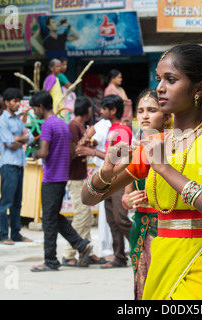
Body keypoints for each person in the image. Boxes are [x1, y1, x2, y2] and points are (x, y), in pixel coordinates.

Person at [81, 43, 202, 300]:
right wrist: (105, 173)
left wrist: (163, 167)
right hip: (161, 258)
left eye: (171, 80)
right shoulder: (155, 144)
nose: (160, 87)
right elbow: (89, 198)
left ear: (199, 88)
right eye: (159, 79)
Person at [29, 91, 92, 272]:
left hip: (51, 177)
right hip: (62, 175)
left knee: (49, 220)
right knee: (53, 216)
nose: (34, 113)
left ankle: (51, 261)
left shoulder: (48, 125)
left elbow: (44, 152)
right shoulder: (63, 124)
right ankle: (81, 245)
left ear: (41, 107)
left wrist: (33, 152)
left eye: (34, 109)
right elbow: (73, 150)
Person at [122, 89, 172, 299]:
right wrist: (128, 201)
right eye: (140, 110)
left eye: (152, 110)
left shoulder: (177, 150)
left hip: (169, 231)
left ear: (167, 116)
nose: (144, 116)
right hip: (141, 231)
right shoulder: (135, 152)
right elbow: (125, 196)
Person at [62, 96, 104, 267]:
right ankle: (68, 253)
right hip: (74, 177)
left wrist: (89, 140)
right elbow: (73, 153)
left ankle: (87, 252)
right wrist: (86, 137)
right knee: (81, 216)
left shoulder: (77, 125)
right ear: (88, 111)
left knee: (85, 215)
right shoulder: (73, 126)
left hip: (79, 176)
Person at [95, 94, 133, 269]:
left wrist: (92, 151)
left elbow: (121, 157)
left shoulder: (122, 130)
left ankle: (142, 246)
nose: (101, 111)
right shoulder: (113, 129)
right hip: (109, 180)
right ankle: (119, 257)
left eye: (104, 108)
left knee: (121, 219)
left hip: (118, 179)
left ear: (113, 110)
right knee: (112, 220)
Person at [0, 88, 34, 245]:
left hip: (19, 164)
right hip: (8, 164)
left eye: (19, 101)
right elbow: (9, 143)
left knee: (18, 201)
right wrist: (20, 139)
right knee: (6, 201)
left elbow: (30, 138)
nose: (18, 104)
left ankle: (16, 233)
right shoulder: (2, 120)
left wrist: (18, 139)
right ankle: (3, 235)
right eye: (15, 101)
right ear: (6, 102)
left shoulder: (18, 120)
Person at [76, 116, 113, 260]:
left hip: (112, 176)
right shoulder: (103, 126)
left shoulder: (119, 130)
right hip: (105, 176)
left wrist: (91, 147)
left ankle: (115, 250)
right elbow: (81, 147)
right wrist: (89, 138)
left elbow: (119, 158)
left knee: (116, 216)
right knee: (106, 215)